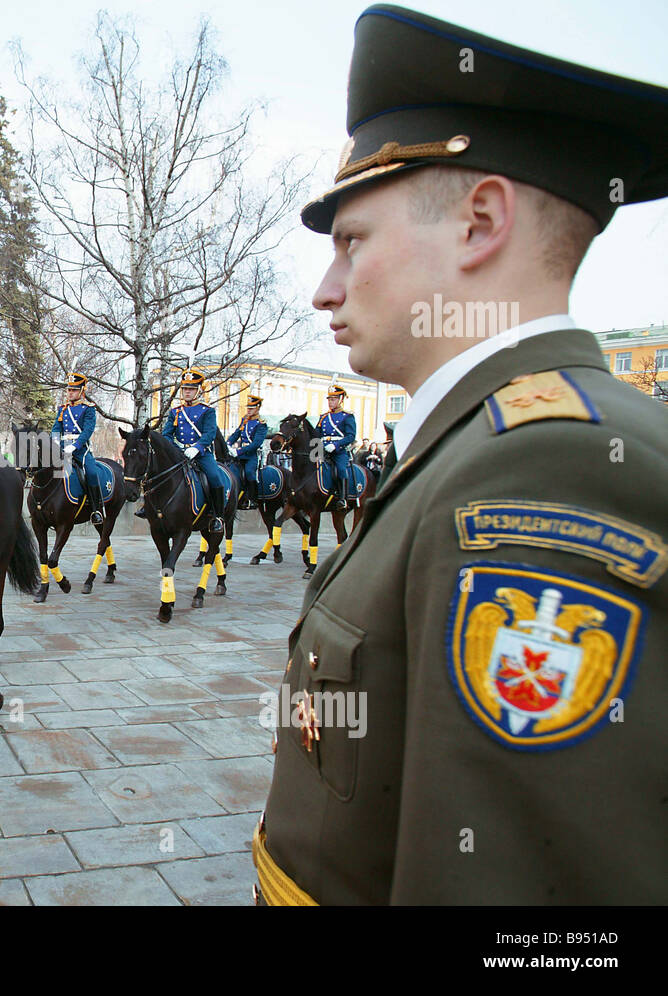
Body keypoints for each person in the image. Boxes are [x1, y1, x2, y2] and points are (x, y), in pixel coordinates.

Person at [255, 5, 668, 905]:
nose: (326, 290)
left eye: (351, 242)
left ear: (480, 222)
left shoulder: (544, 470)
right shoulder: (477, 443)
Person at [160, 368, 228, 534]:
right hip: (180, 455)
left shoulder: (207, 411)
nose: (187, 392)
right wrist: (176, 449)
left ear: (199, 390)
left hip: (201, 454)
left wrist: (196, 448)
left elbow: (210, 433)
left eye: (190, 389)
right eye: (185, 389)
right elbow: (166, 435)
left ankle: (217, 516)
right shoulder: (176, 412)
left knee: (215, 478)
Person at [52, 372, 105, 525]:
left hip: (81, 449)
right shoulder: (63, 409)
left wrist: (74, 446)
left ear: (82, 391)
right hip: (62, 447)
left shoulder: (88, 408)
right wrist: (54, 443)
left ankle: (95, 510)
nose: (70, 393)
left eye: (74, 390)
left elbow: (88, 431)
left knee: (92, 473)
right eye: (69, 390)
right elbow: (56, 428)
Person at [316, 385, 356, 508]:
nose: (330, 402)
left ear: (341, 400)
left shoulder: (347, 416)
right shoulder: (323, 417)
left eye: (333, 399)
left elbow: (351, 436)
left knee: (341, 469)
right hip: (322, 449)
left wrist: (336, 445)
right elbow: (316, 433)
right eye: (329, 399)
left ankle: (343, 498)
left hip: (338, 450)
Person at [227, 394, 267, 509]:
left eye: (252, 408)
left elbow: (256, 444)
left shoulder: (261, 424)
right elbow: (236, 434)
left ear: (258, 408)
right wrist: (228, 444)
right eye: (248, 408)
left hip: (251, 455)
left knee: (249, 473)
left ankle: (252, 499)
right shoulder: (244, 420)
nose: (249, 410)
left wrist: (239, 451)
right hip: (240, 454)